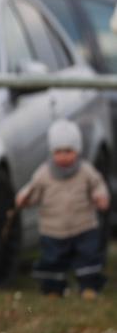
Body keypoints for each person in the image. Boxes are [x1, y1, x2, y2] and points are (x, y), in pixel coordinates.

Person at [15, 119, 109, 299]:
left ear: (77, 150)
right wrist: (24, 199)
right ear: (52, 152)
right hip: (53, 229)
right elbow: (33, 191)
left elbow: (98, 184)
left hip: (83, 226)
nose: (64, 156)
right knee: (53, 260)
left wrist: (100, 196)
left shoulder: (86, 171)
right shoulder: (44, 173)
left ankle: (89, 287)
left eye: (68, 151)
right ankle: (53, 289)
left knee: (88, 257)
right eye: (59, 152)